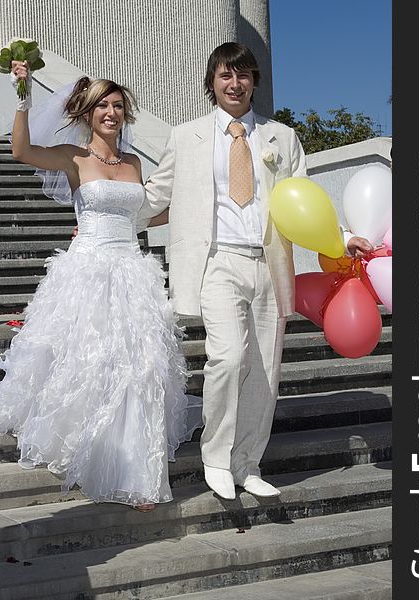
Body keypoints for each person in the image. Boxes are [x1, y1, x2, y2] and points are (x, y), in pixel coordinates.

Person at [141, 42, 372, 500]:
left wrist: (343, 237)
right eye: (226, 75)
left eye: (243, 76)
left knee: (265, 369)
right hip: (217, 262)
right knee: (227, 358)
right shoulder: (185, 136)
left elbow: (305, 197)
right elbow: (155, 195)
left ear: (254, 83)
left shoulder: (281, 137)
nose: (235, 83)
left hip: (270, 263)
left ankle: (247, 463)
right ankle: (215, 456)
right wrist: (106, 216)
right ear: (212, 82)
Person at [0, 61, 201, 511]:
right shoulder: (72, 156)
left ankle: (137, 472)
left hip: (133, 271)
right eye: (103, 104)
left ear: (126, 114)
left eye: (119, 105)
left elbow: (144, 215)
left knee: (139, 369)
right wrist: (21, 96)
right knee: (91, 364)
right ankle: (89, 444)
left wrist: (192, 207)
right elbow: (21, 151)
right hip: (87, 272)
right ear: (87, 112)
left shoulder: (135, 163)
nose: (111, 111)